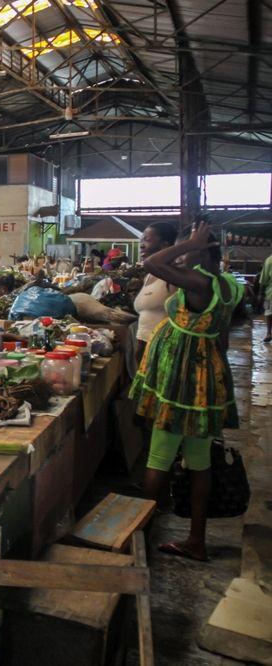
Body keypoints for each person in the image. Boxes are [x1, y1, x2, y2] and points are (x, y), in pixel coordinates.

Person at [129, 222, 243, 562]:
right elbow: (220, 336)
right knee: (199, 463)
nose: (179, 256)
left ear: (200, 251)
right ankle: (196, 540)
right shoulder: (228, 285)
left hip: (181, 383)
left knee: (158, 459)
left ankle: (139, 541)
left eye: (187, 249)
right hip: (206, 378)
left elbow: (150, 263)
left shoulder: (200, 283)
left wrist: (186, 244)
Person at [133, 222, 178, 361]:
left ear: (165, 245)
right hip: (146, 354)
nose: (141, 245)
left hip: (165, 353)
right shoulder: (149, 276)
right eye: (141, 240)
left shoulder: (175, 276)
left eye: (147, 240)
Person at [260, 252, 272, 344]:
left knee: (268, 312)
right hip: (269, 293)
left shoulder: (269, 260)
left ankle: (268, 333)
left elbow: (263, 279)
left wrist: (260, 293)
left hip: (269, 293)